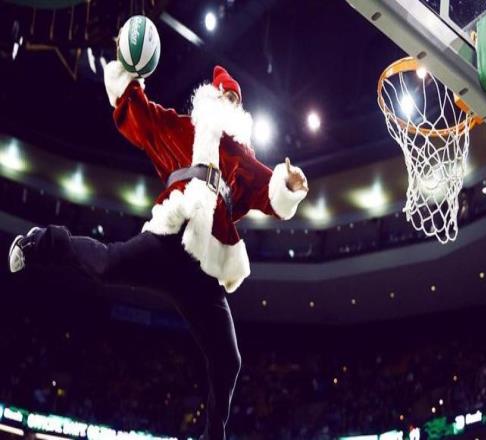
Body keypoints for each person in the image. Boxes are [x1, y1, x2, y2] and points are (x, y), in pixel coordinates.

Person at [8, 58, 308, 439]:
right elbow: (141, 115)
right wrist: (127, 76)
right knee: (105, 265)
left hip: (204, 269)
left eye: (234, 98)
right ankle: (40, 242)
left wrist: (290, 185)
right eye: (223, 94)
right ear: (209, 96)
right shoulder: (180, 129)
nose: (228, 102)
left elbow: (273, 194)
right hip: (167, 239)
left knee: (228, 359)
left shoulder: (244, 161)